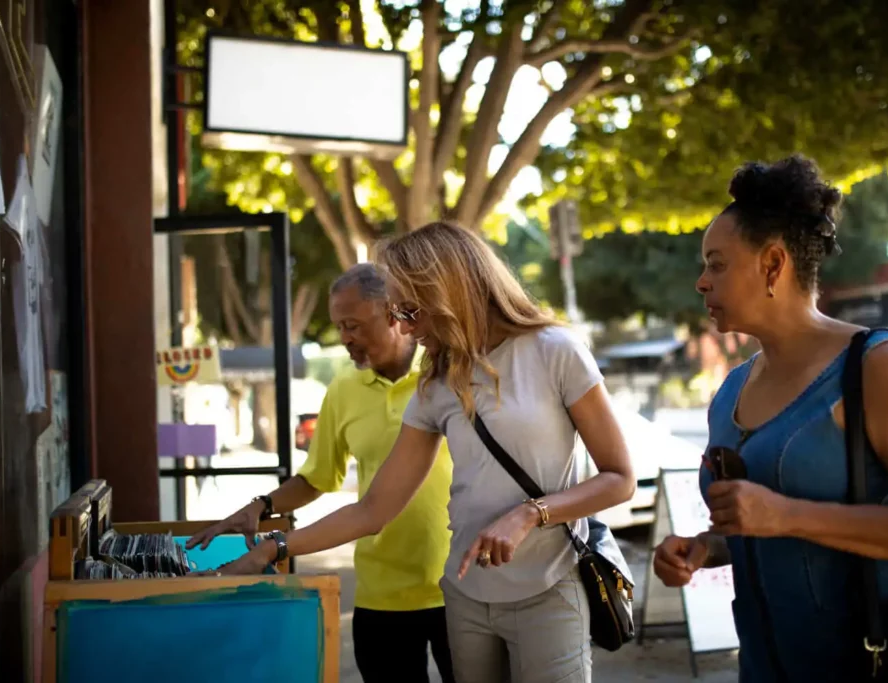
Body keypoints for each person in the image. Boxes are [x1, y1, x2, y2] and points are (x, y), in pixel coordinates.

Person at [213, 222, 635, 683]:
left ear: (450, 291)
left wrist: (530, 514)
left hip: (551, 590)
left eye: (411, 311)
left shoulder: (556, 351)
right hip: (467, 598)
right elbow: (374, 509)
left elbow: (619, 477)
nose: (408, 331)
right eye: (398, 313)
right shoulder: (436, 383)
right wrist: (272, 549)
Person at [653, 155, 888, 682]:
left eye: (716, 263)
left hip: (873, 665)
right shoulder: (731, 388)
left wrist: (786, 514)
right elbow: (757, 526)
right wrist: (706, 548)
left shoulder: (876, 366)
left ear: (773, 264)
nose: (701, 283)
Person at [187, 264, 456, 683]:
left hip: (461, 589)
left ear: (394, 314)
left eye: (353, 325)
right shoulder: (344, 390)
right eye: (339, 327)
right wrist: (260, 506)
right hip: (382, 596)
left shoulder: (447, 375)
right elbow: (318, 477)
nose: (345, 338)